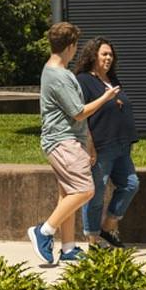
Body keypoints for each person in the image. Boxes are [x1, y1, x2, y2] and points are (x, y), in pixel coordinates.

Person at [29, 21, 119, 266]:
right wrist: (106, 97)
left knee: (68, 194)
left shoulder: (56, 71)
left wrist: (88, 142)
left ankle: (68, 248)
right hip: (63, 141)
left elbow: (76, 118)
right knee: (84, 190)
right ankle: (44, 231)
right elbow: (78, 112)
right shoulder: (58, 76)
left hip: (68, 140)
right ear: (71, 46)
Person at [73, 37, 139, 248]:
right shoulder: (84, 80)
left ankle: (108, 227)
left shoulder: (113, 79)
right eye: (104, 54)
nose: (109, 58)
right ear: (93, 56)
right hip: (100, 147)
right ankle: (93, 241)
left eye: (111, 54)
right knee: (96, 193)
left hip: (121, 146)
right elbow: (81, 115)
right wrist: (89, 145)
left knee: (131, 184)